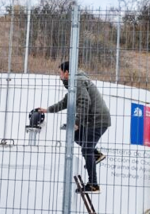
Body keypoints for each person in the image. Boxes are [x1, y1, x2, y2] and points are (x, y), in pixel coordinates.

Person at [39, 61, 111, 193]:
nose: (59, 75)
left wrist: (77, 122)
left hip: (97, 119)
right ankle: (95, 155)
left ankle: (93, 185)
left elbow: (85, 102)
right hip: (93, 119)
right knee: (76, 135)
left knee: (86, 149)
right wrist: (47, 110)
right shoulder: (74, 83)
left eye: (60, 72)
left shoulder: (77, 82)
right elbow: (65, 102)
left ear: (67, 72)